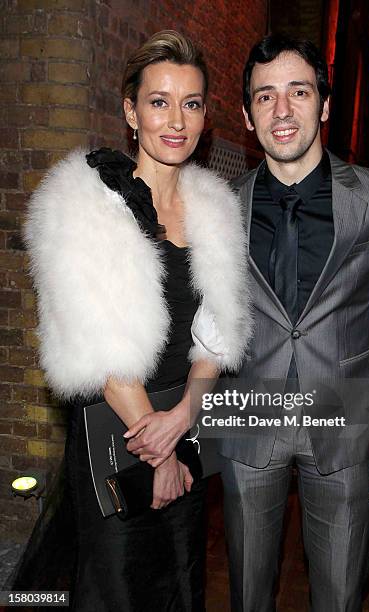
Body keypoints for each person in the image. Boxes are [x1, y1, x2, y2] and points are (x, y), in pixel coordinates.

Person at [21, 30, 251, 611]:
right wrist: (162, 451)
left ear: (204, 118)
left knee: (181, 583)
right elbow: (97, 352)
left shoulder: (215, 210)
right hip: (120, 430)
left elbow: (215, 337)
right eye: (158, 101)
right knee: (121, 587)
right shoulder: (89, 204)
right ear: (131, 111)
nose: (175, 119)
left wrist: (185, 418)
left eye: (191, 103)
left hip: (183, 424)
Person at [219, 34, 369, 611]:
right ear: (246, 113)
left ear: (324, 104)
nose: (282, 111)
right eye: (265, 97)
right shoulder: (219, 205)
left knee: (339, 594)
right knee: (247, 594)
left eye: (298, 92)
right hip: (246, 416)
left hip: (346, 419)